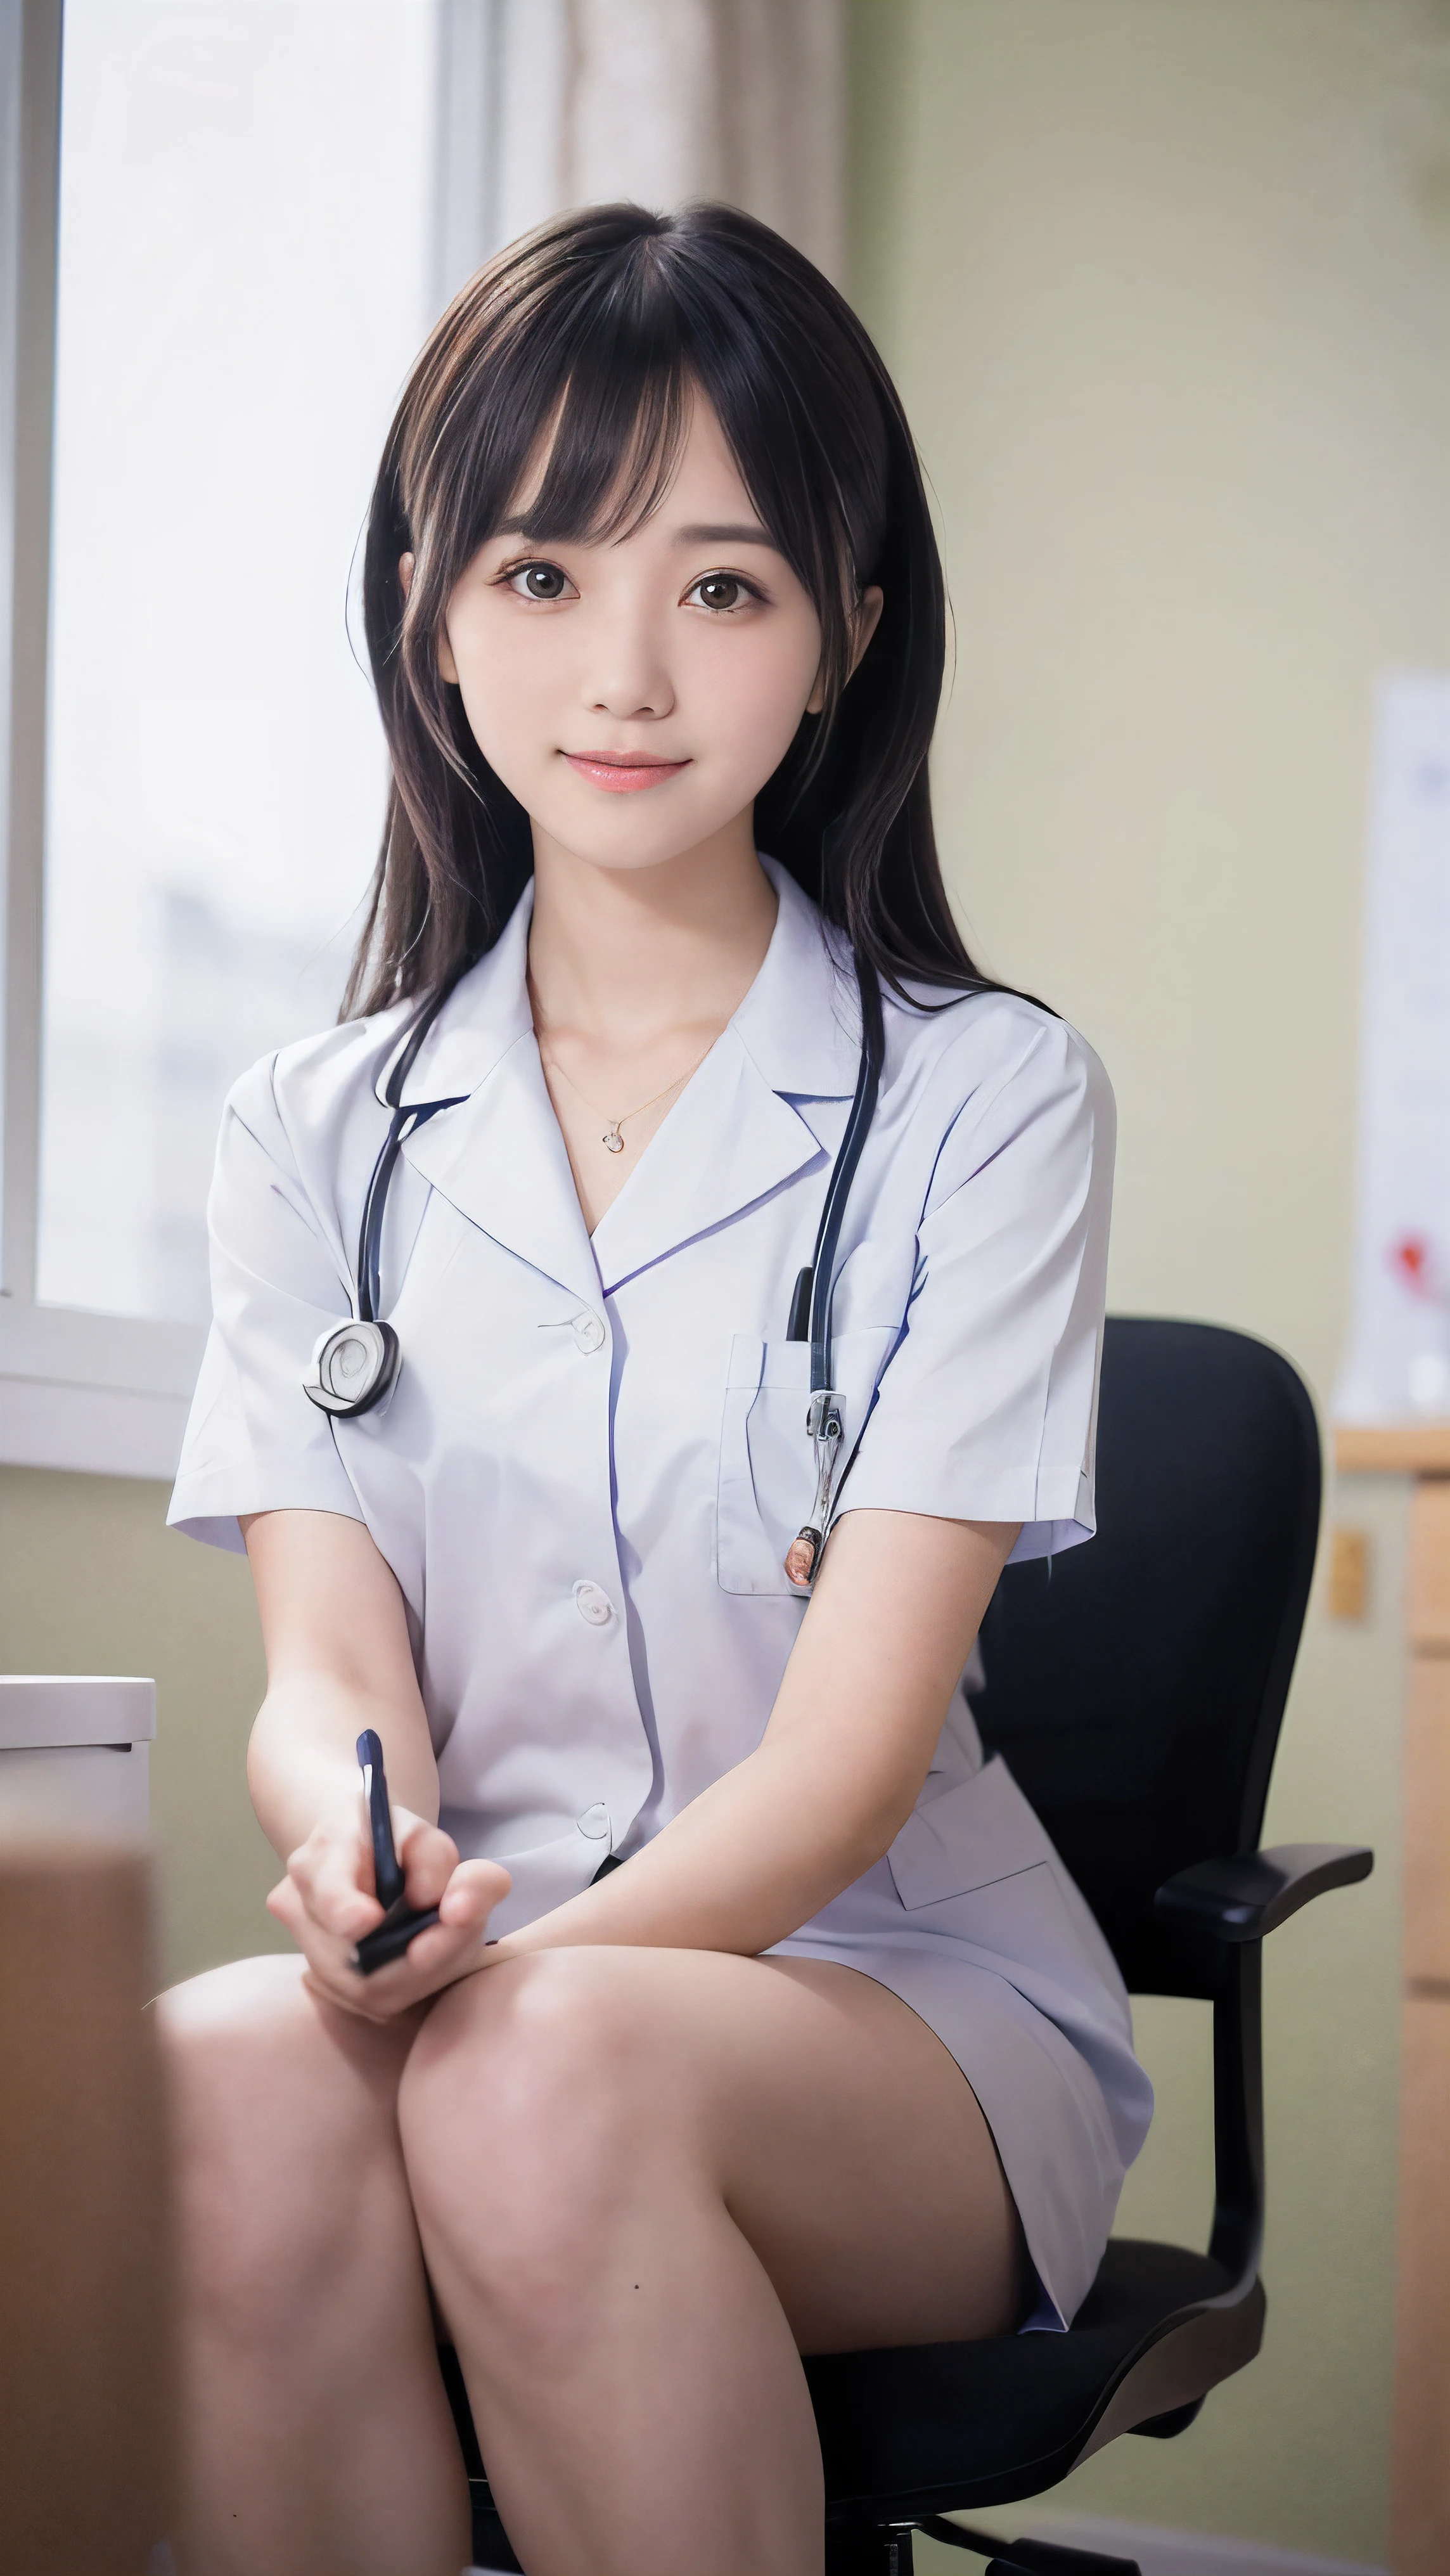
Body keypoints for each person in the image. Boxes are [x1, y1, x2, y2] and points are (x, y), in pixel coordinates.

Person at [159, 200, 1152, 2576]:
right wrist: (357, 1857)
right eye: (540, 575)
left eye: (719, 586)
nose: (622, 671)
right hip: (503, 1980)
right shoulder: (313, 1131)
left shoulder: (985, 1103)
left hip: (895, 2004)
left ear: (844, 638)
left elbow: (840, 1771)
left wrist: (468, 1997)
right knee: (204, 2077)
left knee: (530, 2074)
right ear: (431, 608)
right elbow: (325, 1683)